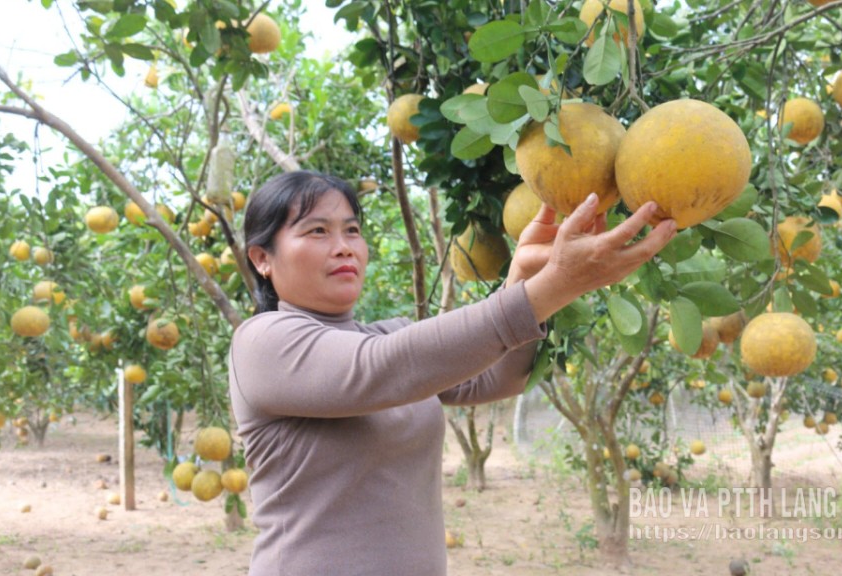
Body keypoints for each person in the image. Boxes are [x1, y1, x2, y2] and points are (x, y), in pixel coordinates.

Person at [228, 170, 676, 575]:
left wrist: (522, 277)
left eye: (352, 230)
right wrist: (556, 284)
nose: (344, 245)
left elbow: (497, 377)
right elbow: (383, 367)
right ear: (262, 258)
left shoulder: (386, 335)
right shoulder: (263, 343)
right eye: (317, 231)